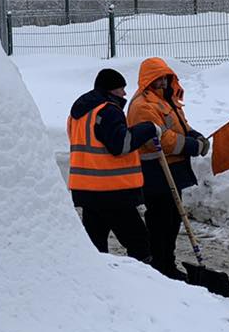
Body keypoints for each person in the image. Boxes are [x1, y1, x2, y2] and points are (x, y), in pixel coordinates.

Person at [67, 68, 162, 260]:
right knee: (138, 242)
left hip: (86, 189)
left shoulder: (79, 112)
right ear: (111, 90)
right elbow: (121, 144)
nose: (125, 93)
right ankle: (143, 282)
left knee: (95, 244)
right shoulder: (108, 111)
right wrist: (148, 128)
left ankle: (97, 279)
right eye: (121, 88)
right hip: (111, 191)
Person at [127, 57, 209, 279]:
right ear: (148, 80)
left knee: (173, 219)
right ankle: (159, 264)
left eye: (165, 78)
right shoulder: (142, 106)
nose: (162, 82)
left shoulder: (166, 101)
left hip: (173, 169)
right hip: (156, 171)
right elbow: (162, 139)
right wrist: (191, 145)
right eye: (158, 78)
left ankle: (167, 261)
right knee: (161, 220)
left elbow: (180, 126)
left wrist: (194, 135)